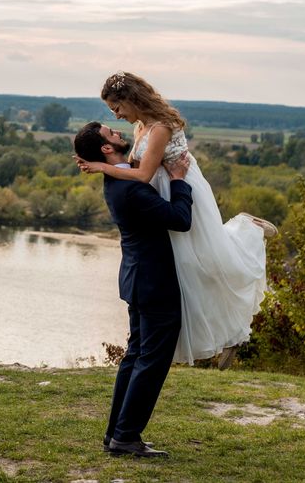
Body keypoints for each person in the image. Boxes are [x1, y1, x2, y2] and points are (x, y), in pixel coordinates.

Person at [75, 71, 272, 367]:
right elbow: (135, 167)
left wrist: (101, 168)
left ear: (130, 99)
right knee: (186, 269)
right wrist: (105, 165)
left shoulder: (161, 128)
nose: (116, 116)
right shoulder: (141, 125)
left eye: (117, 108)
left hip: (179, 187)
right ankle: (225, 334)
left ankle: (248, 230)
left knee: (206, 260)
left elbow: (141, 175)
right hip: (162, 191)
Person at [74, 122, 192, 457]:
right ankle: (126, 437)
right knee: (151, 360)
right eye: (111, 133)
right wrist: (179, 181)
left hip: (138, 279)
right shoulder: (131, 189)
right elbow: (180, 219)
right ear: (106, 149)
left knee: (136, 356)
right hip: (153, 282)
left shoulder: (119, 180)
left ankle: (116, 434)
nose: (119, 134)